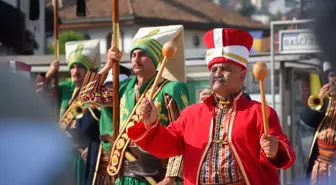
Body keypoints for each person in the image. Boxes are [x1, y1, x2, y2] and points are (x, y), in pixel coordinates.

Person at [127, 28, 296, 185]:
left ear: (242, 75)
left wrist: (274, 150)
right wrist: (151, 123)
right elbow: (167, 145)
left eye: (225, 69)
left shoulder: (260, 113)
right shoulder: (191, 114)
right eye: (214, 68)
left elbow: (281, 152)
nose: (217, 73)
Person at [79, 25, 189, 185]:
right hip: (123, 177)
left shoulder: (170, 89)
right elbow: (87, 97)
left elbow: (181, 136)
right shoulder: (124, 88)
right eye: (133, 55)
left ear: (156, 59)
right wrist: (108, 64)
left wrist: (170, 178)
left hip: (156, 177)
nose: (136, 59)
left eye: (142, 55)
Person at [36, 39, 101, 185]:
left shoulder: (95, 92)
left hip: (84, 153)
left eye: (80, 67)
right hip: (63, 151)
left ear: (88, 70)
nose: (75, 71)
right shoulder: (65, 88)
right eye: (72, 67)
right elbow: (39, 95)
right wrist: (50, 73)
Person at [300, 61, 336, 184]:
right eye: (332, 75)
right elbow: (307, 120)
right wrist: (320, 99)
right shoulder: (324, 101)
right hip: (320, 168)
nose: (334, 80)